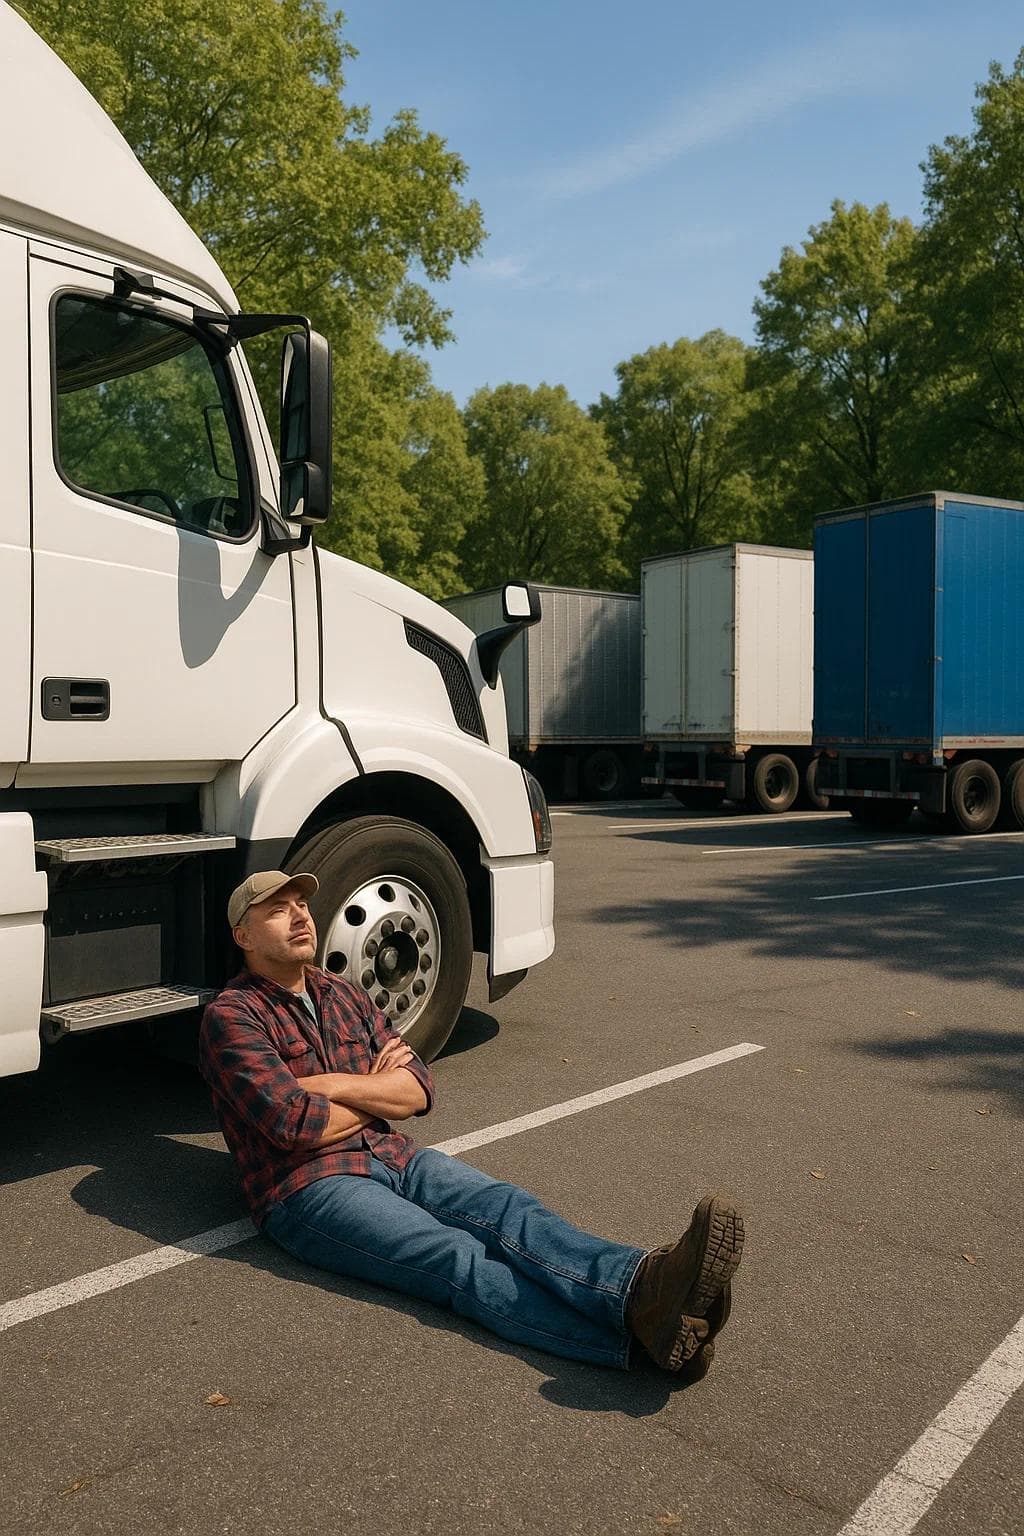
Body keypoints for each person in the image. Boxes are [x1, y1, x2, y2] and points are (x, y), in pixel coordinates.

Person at [199, 870, 745, 1379]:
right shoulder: (232, 1016)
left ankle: (640, 1284)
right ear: (243, 935)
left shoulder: (341, 992)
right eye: (277, 911)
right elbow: (294, 1125)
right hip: (308, 1188)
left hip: (394, 1156)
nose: (299, 917)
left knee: (509, 1210)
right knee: (455, 1257)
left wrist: (336, 1085)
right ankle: (637, 1342)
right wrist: (382, 1095)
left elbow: (418, 1088)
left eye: (301, 905)